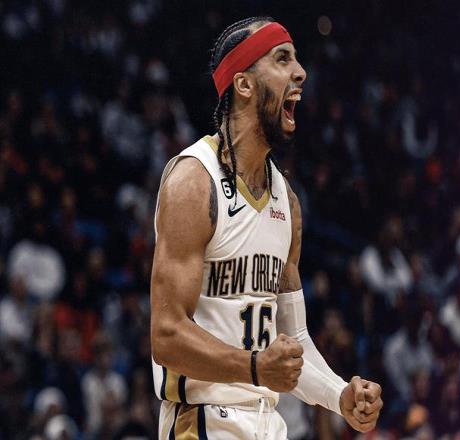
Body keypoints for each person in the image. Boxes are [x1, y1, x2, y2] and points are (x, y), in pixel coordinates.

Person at [150, 17, 383, 439]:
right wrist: (256, 368)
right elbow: (166, 336)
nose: (301, 72)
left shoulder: (286, 201)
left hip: (268, 422)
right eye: (282, 58)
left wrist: (338, 395)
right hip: (202, 421)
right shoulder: (193, 181)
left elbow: (294, 341)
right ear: (244, 84)